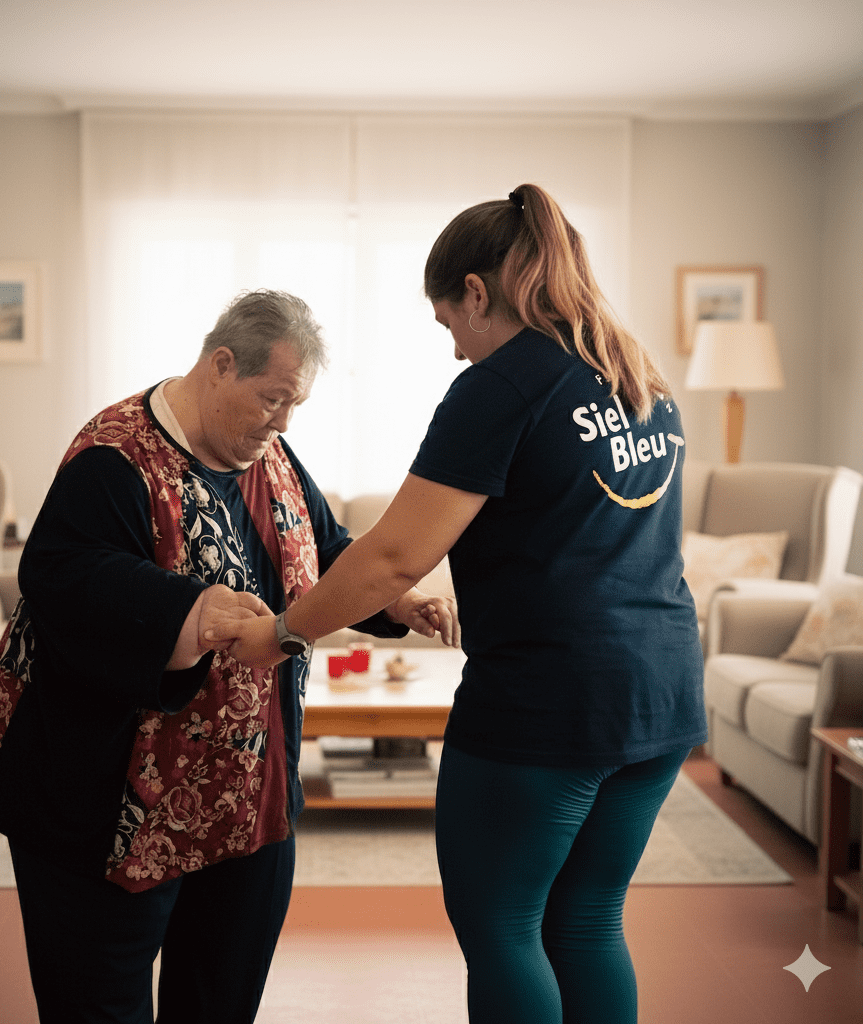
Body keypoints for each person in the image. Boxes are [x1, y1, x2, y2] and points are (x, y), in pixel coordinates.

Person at [207, 186, 707, 1024]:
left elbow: (395, 555)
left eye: (449, 325)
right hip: (660, 692)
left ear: (477, 293)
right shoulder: (634, 373)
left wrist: (281, 632)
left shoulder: (503, 387)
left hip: (548, 703)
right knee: (586, 920)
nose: (454, 353)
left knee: (501, 923)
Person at [0, 288, 457, 1024]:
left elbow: (324, 548)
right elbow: (64, 578)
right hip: (107, 811)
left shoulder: (268, 451)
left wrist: (393, 600)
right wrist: (189, 613)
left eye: (296, 403)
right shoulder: (114, 456)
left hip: (247, 803)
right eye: (272, 398)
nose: (284, 421)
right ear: (221, 364)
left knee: (220, 1003)